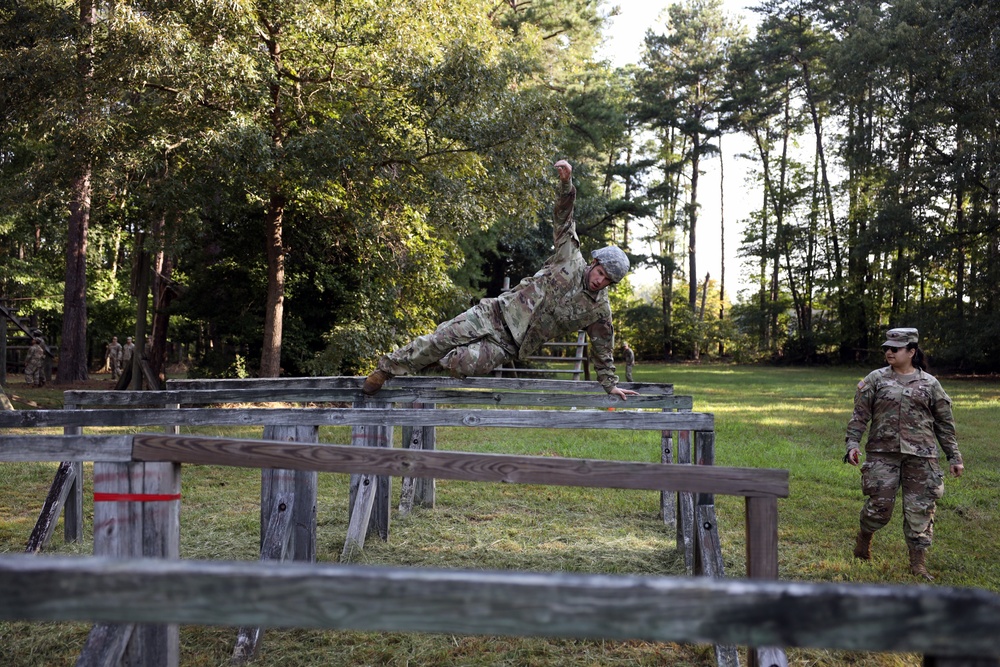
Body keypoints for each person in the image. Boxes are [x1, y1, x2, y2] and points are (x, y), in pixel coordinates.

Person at [363, 159, 638, 401]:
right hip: (494, 313)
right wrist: (566, 185)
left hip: (508, 345)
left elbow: (603, 350)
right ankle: (386, 370)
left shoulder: (598, 312)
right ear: (594, 263)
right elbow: (564, 218)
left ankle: (416, 366)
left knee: (458, 363)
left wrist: (611, 386)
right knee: (441, 339)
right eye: (600, 273)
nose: (600, 281)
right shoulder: (569, 257)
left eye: (607, 281)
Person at [843, 327, 964, 580]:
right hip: (882, 454)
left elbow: (944, 423)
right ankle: (864, 539)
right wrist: (852, 444)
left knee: (920, 509)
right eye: (886, 348)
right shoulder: (875, 379)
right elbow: (859, 416)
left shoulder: (930, 384)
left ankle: (918, 563)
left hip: (922, 456)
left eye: (894, 349)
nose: (889, 352)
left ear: (911, 351)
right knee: (879, 508)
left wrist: (954, 456)